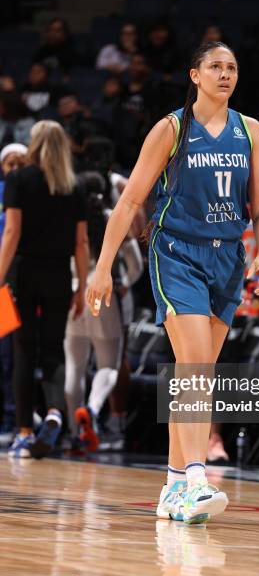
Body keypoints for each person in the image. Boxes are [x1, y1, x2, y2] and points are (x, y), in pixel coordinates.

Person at [86, 41, 259, 523]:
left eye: (232, 67)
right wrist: (103, 266)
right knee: (193, 366)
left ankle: (171, 486)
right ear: (194, 75)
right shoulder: (171, 128)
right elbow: (129, 202)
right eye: (215, 66)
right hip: (177, 253)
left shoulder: (250, 131)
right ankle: (194, 477)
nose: (225, 74)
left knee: (197, 374)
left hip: (229, 258)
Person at [0, 121, 89, 459]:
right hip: (58, 276)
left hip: (23, 273)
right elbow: (81, 242)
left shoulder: (18, 179)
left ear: (33, 144)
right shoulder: (75, 186)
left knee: (23, 351)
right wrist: (80, 285)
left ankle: (23, 431)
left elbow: (12, 233)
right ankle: (53, 410)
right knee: (53, 349)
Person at [64, 172, 143, 452]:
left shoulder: (70, 218)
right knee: (108, 365)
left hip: (74, 294)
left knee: (74, 367)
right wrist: (124, 284)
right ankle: (94, 410)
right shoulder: (114, 216)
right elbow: (135, 265)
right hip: (105, 296)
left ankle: (75, 433)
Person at [0, 143, 27, 444]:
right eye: (9, 163)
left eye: (20, 163)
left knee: (12, 356)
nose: (14, 168)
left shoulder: (30, 192)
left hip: (14, 282)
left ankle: (13, 419)